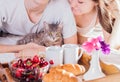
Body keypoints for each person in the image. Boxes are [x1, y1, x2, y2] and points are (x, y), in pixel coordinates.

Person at [0, 0, 77, 53]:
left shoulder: (62, 6)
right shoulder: (5, 3)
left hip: (45, 55)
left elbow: (71, 49)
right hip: (7, 50)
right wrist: (24, 48)